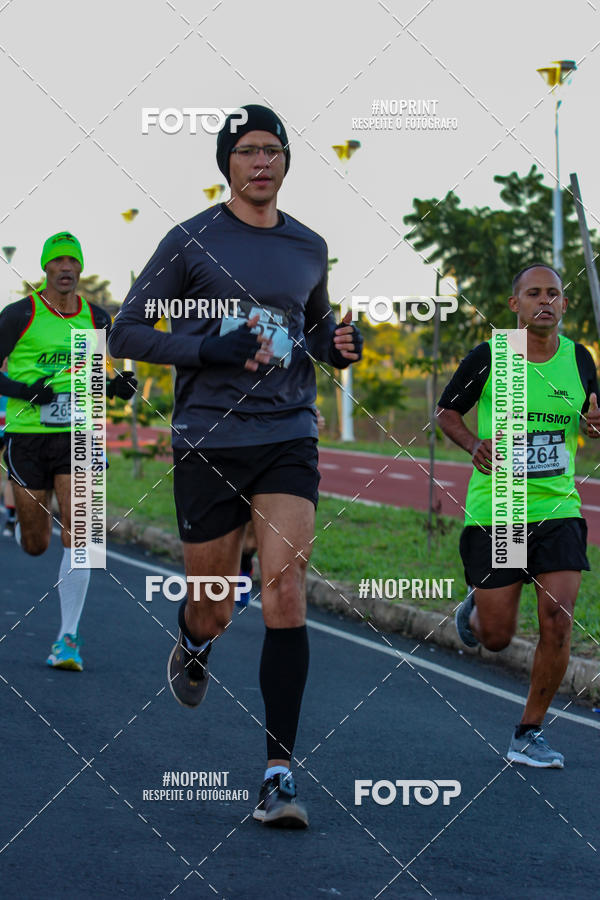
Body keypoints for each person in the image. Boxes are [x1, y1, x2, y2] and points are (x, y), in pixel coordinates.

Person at [108, 104, 363, 827]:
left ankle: (278, 776)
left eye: (274, 151)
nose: (262, 162)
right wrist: (204, 347)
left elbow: (313, 332)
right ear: (227, 163)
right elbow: (126, 330)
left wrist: (340, 346)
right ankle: (193, 640)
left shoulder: (309, 245)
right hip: (208, 439)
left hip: (287, 433)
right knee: (215, 603)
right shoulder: (189, 241)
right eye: (248, 150)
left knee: (285, 590)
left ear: (286, 163)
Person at [437, 263, 600, 768]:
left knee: (557, 618)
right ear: (516, 305)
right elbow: (447, 413)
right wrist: (473, 445)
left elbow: (592, 418)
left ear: (565, 305)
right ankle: (477, 609)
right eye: (534, 294)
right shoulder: (492, 356)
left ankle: (529, 732)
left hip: (558, 507)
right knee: (498, 636)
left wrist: (595, 426)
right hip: (500, 507)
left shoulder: (580, 359)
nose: (544, 301)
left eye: (553, 294)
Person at [0, 231, 137, 669]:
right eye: (56, 262)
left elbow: (99, 371)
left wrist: (118, 387)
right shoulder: (18, 315)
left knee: (83, 537)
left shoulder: (97, 318)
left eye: (71, 262)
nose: (64, 269)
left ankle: (67, 640)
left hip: (80, 434)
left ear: (79, 269)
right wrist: (25, 390)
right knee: (37, 543)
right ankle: (24, 526)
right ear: (45, 269)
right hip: (28, 437)